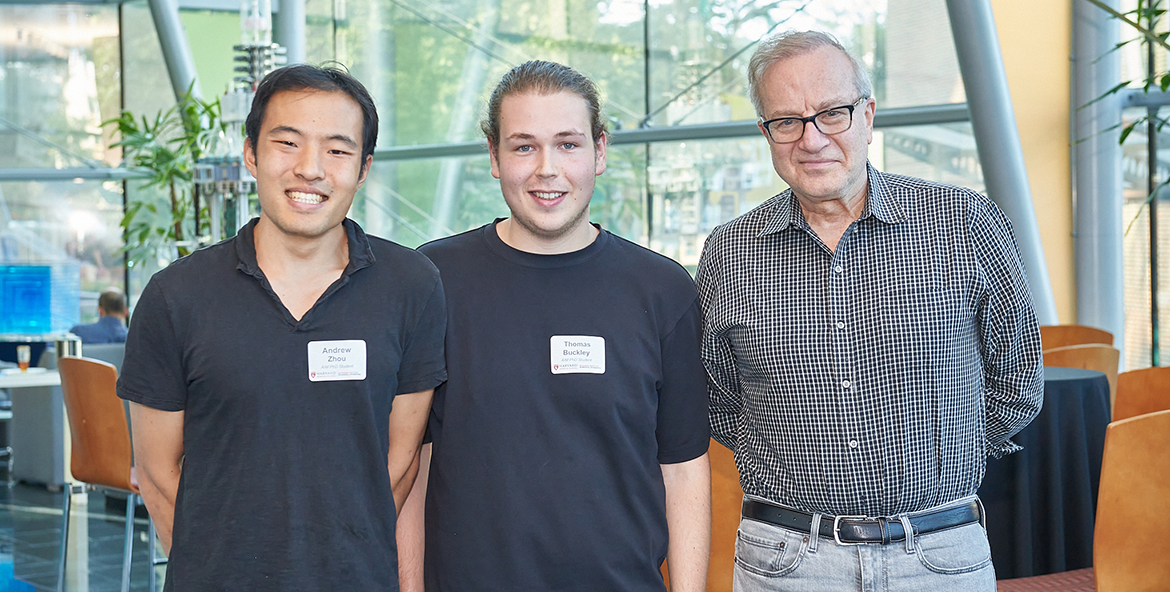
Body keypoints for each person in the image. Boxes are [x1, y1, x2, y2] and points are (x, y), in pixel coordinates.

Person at [695, 31, 1043, 591]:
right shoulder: (729, 250)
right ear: (766, 133)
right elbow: (718, 397)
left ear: (868, 115)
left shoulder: (967, 224)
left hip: (939, 556)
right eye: (786, 121)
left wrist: (941, 462)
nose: (811, 139)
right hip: (787, 563)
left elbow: (1019, 378)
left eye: (832, 113)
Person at [117, 65, 446, 591]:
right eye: (287, 143)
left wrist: (341, 552)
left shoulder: (412, 286)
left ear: (363, 169)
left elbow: (402, 458)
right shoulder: (175, 296)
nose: (310, 169)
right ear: (251, 154)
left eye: (338, 150)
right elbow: (157, 474)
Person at [400, 60, 711, 592]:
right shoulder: (433, 280)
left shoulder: (662, 289)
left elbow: (683, 469)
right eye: (524, 146)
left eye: (568, 144)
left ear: (600, 151)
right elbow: (414, 462)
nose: (547, 168)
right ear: (494, 157)